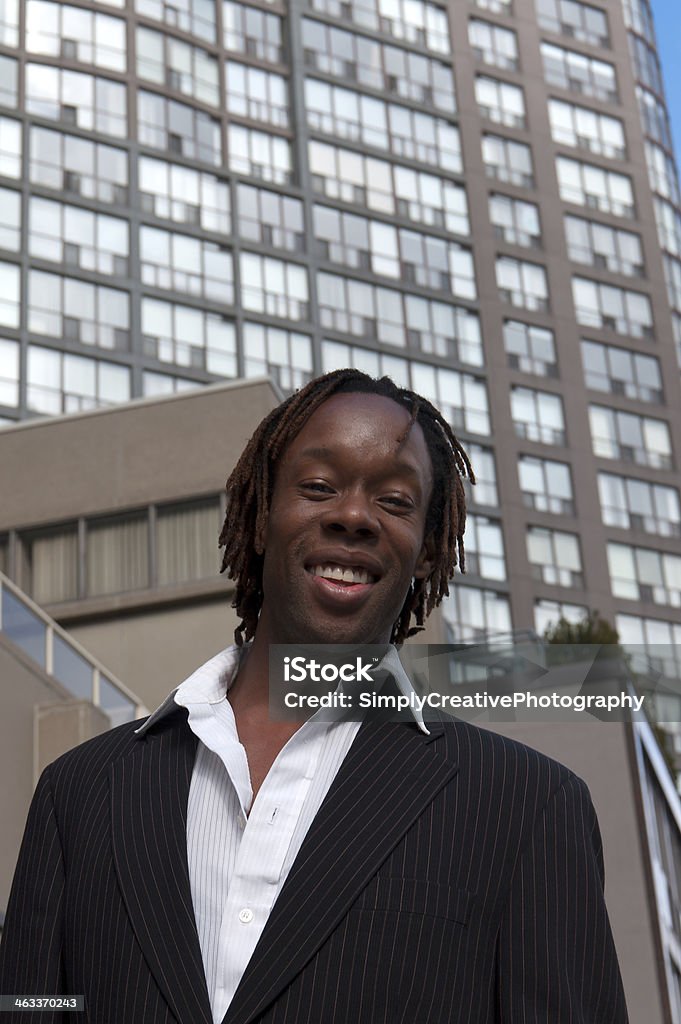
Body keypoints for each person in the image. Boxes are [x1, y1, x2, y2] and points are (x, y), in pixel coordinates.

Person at [0, 368, 629, 1023]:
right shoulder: (78, 791)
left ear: (423, 550)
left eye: (394, 500)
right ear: (262, 513)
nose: (353, 516)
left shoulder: (527, 806)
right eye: (318, 486)